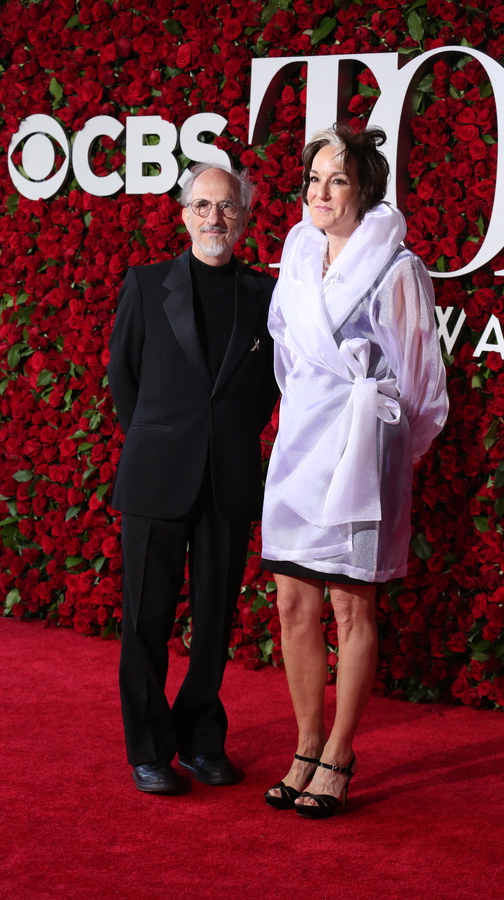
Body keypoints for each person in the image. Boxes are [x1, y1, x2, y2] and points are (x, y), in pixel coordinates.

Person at [261, 124, 448, 818]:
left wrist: (389, 454)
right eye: (313, 180)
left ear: (365, 188)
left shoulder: (399, 267)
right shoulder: (297, 255)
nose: (320, 193)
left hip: (361, 454)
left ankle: (340, 753)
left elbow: (423, 384)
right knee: (291, 604)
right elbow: (282, 348)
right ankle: (306, 745)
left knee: (349, 604)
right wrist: (302, 416)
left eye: (336, 180)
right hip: (299, 445)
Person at [108, 163, 278, 794]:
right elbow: (124, 379)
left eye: (227, 207)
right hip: (156, 476)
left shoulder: (265, 295)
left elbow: (266, 390)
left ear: (244, 217)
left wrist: (226, 439)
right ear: (183, 215)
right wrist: (161, 438)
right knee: (146, 619)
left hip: (228, 478)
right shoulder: (148, 285)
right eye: (203, 206)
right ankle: (148, 748)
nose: (215, 218)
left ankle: (202, 737)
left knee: (214, 622)